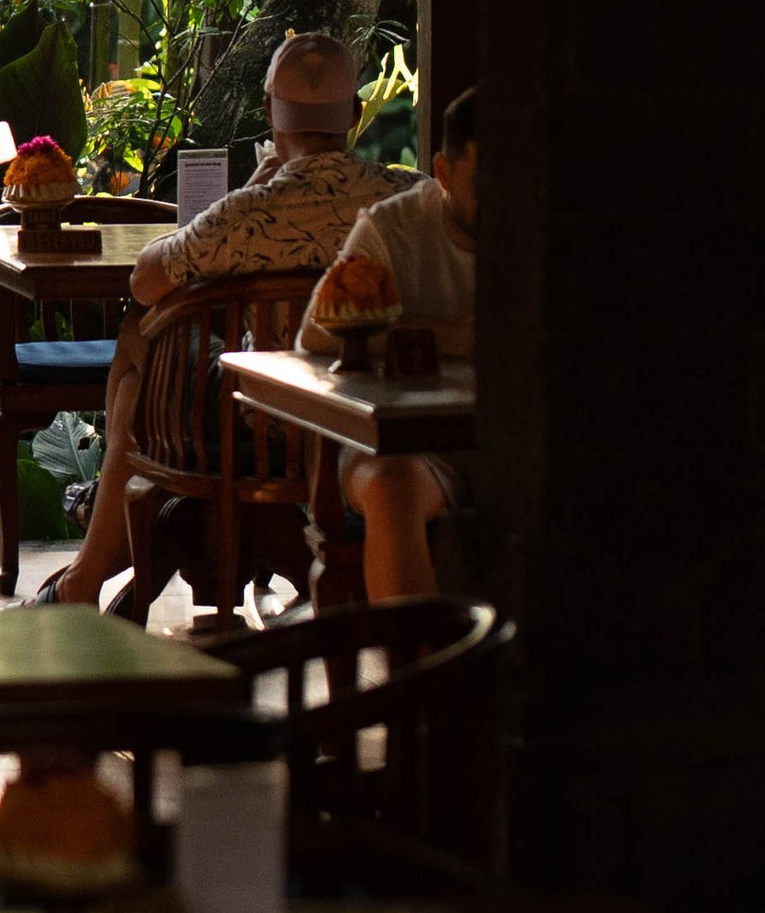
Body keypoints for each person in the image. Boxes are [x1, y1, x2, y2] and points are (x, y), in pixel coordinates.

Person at [42, 32, 387, 609]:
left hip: (265, 419)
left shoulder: (251, 214)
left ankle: (88, 569)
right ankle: (92, 565)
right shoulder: (403, 198)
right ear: (354, 113)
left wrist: (249, 191)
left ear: (268, 112)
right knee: (146, 363)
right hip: (366, 416)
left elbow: (144, 282)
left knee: (137, 342)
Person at [296, 85, 478, 602]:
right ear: (443, 173)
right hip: (411, 444)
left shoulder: (547, 225)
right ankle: (413, 655)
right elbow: (316, 333)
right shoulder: (392, 228)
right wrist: (451, 339)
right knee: (389, 486)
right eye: (487, 181)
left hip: (516, 437)